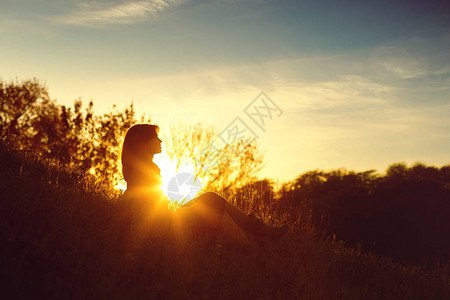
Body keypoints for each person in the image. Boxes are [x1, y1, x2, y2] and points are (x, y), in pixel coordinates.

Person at [120, 124, 287, 245]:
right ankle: (252, 247)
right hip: (163, 226)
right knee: (211, 202)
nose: (160, 140)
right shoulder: (143, 170)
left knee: (210, 199)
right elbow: (149, 207)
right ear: (143, 143)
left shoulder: (144, 167)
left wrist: (184, 207)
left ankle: (258, 235)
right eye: (155, 137)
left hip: (165, 220)